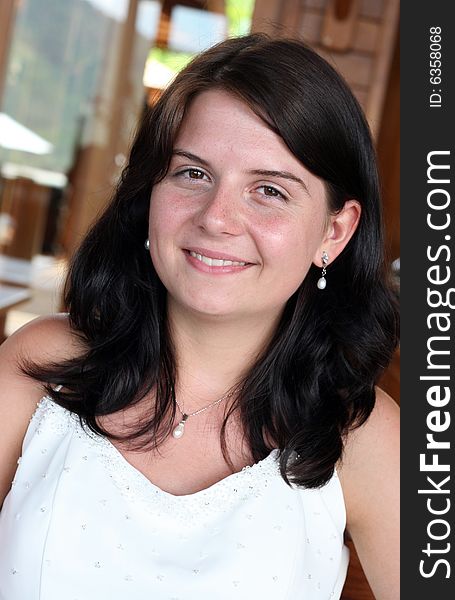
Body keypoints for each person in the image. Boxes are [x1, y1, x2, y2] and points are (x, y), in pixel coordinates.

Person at [0, 33, 399, 599]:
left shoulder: (360, 432)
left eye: (269, 191)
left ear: (334, 231)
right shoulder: (41, 364)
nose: (218, 218)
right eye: (193, 174)